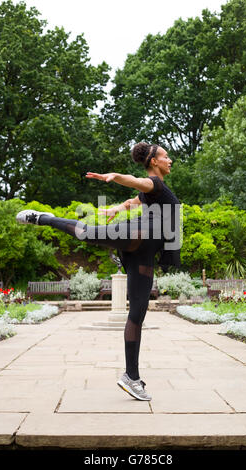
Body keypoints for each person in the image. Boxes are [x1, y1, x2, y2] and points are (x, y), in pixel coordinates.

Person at [16, 142, 182, 401]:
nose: (170, 160)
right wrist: (115, 177)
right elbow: (137, 183)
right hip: (138, 236)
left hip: (145, 253)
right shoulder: (154, 184)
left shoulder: (157, 191)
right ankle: (42, 218)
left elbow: (134, 200)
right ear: (154, 163)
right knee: (86, 233)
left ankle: (131, 377)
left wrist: (115, 209)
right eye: (166, 156)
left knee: (137, 313)